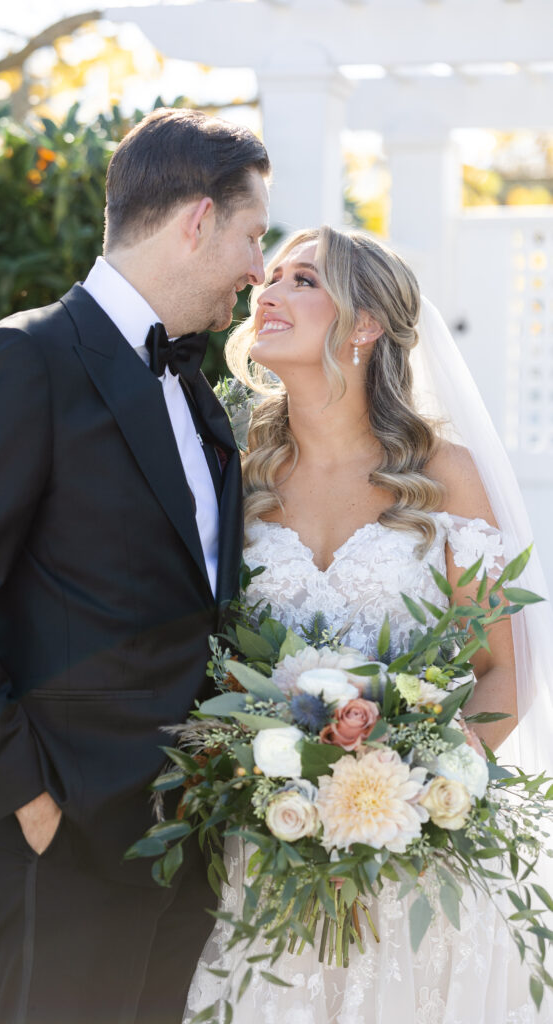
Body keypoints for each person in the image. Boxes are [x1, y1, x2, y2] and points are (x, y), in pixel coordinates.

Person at [0, 107, 270, 1024]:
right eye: (254, 236)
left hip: (189, 833)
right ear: (196, 220)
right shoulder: (22, 361)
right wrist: (23, 802)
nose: (259, 269)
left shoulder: (198, 390)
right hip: (70, 836)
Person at [184, 226, 553, 1022]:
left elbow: (506, 666)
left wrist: (419, 794)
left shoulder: (443, 473)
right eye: (269, 276)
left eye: (302, 279)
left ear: (364, 325)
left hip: (411, 857)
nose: (267, 291)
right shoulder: (233, 462)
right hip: (265, 848)